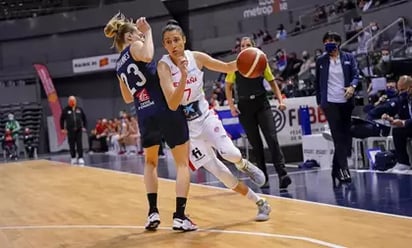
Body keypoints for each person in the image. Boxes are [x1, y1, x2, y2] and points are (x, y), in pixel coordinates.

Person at [158, 20, 271, 221]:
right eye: (168, 42)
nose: (173, 44)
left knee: (230, 153)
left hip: (205, 117)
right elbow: (173, 104)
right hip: (187, 131)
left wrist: (252, 57)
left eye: (176, 39)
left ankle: (243, 163)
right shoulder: (163, 66)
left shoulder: (196, 58)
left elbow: (228, 67)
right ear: (164, 45)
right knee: (222, 175)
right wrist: (183, 74)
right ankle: (260, 203)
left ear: (184, 40)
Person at [104, 13, 196, 231]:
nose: (139, 36)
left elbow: (127, 98)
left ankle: (152, 212)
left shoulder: (118, 66)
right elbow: (147, 56)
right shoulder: (135, 46)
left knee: (150, 163)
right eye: (135, 34)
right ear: (128, 38)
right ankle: (180, 216)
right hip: (164, 108)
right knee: (182, 163)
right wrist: (148, 33)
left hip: (144, 113)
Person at [225, 37, 292, 190]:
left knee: (272, 138)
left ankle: (283, 175)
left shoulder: (261, 61)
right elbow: (228, 87)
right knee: (256, 144)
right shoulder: (235, 65)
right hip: (244, 106)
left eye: (248, 45)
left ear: (254, 47)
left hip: (262, 103)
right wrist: (231, 106)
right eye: (242, 45)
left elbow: (272, 81)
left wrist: (280, 100)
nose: (244, 47)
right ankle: (264, 178)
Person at [315, 31, 360, 186]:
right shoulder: (321, 61)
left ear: (339, 42)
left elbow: (356, 74)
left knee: (346, 137)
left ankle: (335, 168)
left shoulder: (348, 57)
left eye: (333, 40)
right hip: (330, 103)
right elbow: (317, 83)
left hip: (346, 101)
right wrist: (320, 102)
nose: (330, 42)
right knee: (338, 136)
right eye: (327, 40)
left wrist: (352, 87)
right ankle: (344, 170)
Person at [382, 75, 412, 173]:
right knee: (397, 131)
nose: (400, 93)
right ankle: (403, 163)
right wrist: (391, 118)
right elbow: (401, 115)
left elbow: (405, 121)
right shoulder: (403, 99)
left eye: (402, 89)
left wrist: (404, 122)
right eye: (399, 90)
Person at [59, 96, 87, 165]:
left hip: (79, 129)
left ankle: (80, 157)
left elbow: (84, 118)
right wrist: (62, 128)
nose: (72, 102)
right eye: (71, 100)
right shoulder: (65, 110)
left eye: (73, 100)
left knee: (79, 143)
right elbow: (62, 119)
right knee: (71, 144)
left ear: (75, 101)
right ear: (68, 102)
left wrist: (84, 127)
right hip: (70, 130)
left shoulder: (79, 109)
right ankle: (73, 157)